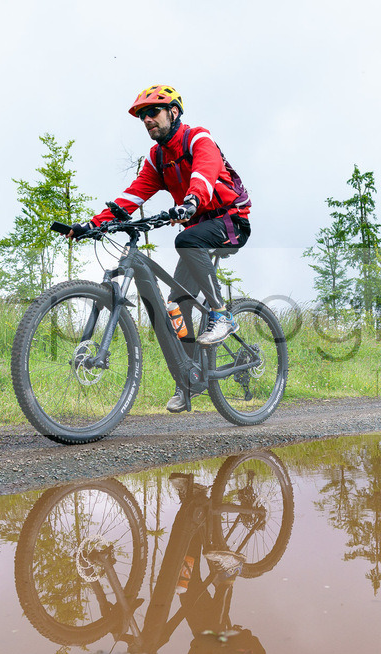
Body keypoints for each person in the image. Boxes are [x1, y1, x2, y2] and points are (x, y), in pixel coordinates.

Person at [72, 84, 252, 413]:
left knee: (185, 240)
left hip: (230, 220)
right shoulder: (157, 158)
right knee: (175, 307)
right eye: (142, 116)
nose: (147, 120)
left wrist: (191, 200)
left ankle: (221, 314)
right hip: (196, 229)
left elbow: (205, 173)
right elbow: (132, 196)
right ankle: (189, 380)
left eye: (153, 112)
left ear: (173, 112)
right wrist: (92, 224)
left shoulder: (198, 138)